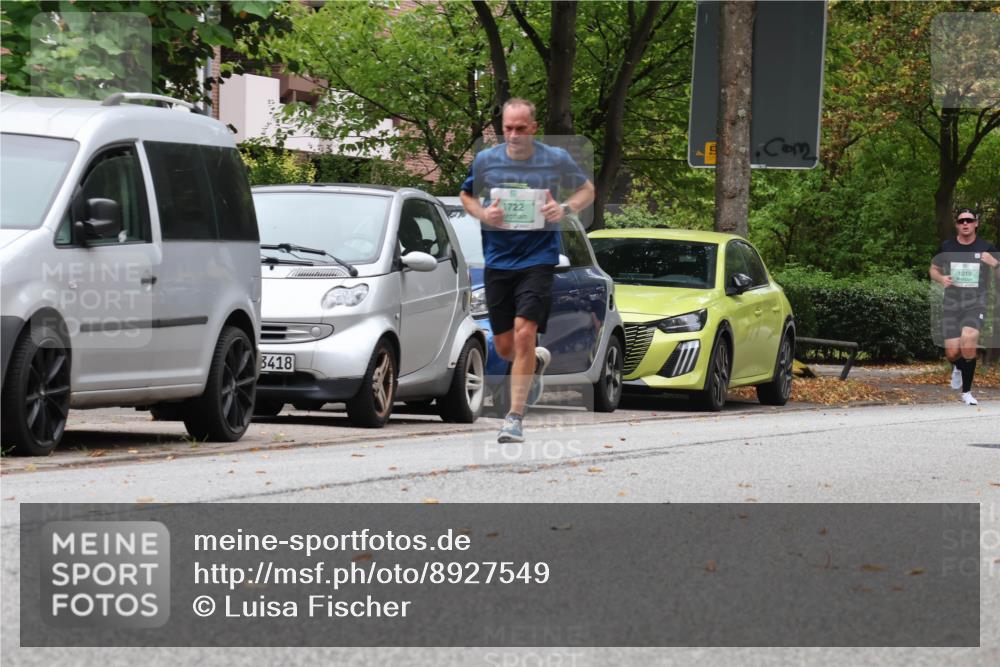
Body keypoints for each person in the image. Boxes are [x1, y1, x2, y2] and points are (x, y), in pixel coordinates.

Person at [460, 98, 595, 443]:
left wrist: (564, 208)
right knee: (506, 347)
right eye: (508, 128)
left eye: (521, 128)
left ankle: (514, 418)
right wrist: (483, 214)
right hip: (498, 262)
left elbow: (587, 190)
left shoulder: (556, 159)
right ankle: (533, 361)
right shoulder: (486, 160)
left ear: (534, 128)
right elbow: (465, 196)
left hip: (538, 259)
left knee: (524, 333)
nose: (514, 134)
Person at [929, 208, 1000, 405]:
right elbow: (933, 269)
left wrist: (995, 264)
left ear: (976, 223)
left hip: (976, 303)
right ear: (957, 225)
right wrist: (941, 278)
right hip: (952, 304)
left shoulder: (987, 247)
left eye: (969, 220)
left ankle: (966, 392)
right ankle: (958, 367)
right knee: (952, 352)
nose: (965, 224)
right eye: (961, 221)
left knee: (968, 339)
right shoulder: (947, 247)